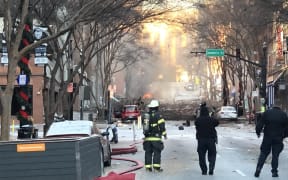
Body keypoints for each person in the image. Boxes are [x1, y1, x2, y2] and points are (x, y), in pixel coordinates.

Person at [254, 103, 288, 178]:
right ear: (280, 106)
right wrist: (284, 136)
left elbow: (260, 124)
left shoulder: (267, 113)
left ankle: (258, 169)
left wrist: (258, 132)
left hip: (267, 137)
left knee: (263, 153)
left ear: (273, 106)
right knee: (275, 155)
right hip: (278, 138)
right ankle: (274, 171)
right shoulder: (283, 115)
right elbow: (287, 128)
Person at [142, 99, 167, 172]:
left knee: (148, 152)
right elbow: (162, 126)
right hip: (156, 138)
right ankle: (156, 168)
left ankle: (148, 167)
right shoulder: (158, 115)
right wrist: (164, 134)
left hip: (147, 138)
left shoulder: (146, 115)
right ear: (157, 107)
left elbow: (144, 126)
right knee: (157, 152)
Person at [195, 106, 219, 175]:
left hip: (201, 140)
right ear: (208, 112)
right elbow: (217, 122)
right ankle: (211, 168)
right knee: (212, 155)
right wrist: (213, 116)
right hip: (211, 140)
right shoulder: (211, 119)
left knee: (201, 156)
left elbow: (196, 123)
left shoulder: (198, 120)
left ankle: (204, 170)